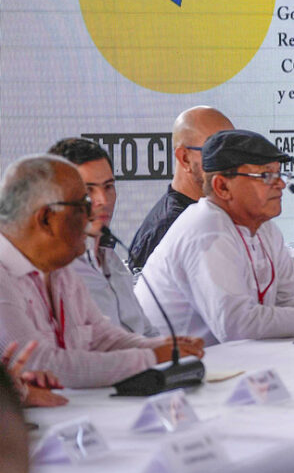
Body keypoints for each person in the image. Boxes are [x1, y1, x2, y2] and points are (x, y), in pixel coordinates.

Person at [138, 130, 294, 346]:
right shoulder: (206, 229)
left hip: (230, 362)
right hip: (171, 374)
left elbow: (293, 297)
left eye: (280, 174)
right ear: (222, 187)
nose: (280, 184)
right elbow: (236, 325)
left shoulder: (263, 228)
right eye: (266, 176)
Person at [0, 155, 203, 388]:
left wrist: (162, 345)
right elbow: (39, 363)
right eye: (82, 206)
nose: (92, 215)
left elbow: (101, 336)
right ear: (46, 218)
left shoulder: (59, 268)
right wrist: (152, 357)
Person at [47, 138, 159, 336]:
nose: (103, 200)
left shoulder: (112, 259)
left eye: (108, 186)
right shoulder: (53, 270)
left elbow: (146, 331)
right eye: (88, 190)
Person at [129, 106, 234, 271]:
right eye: (215, 151)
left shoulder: (216, 215)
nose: (230, 163)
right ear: (184, 158)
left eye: (233, 152)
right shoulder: (168, 229)